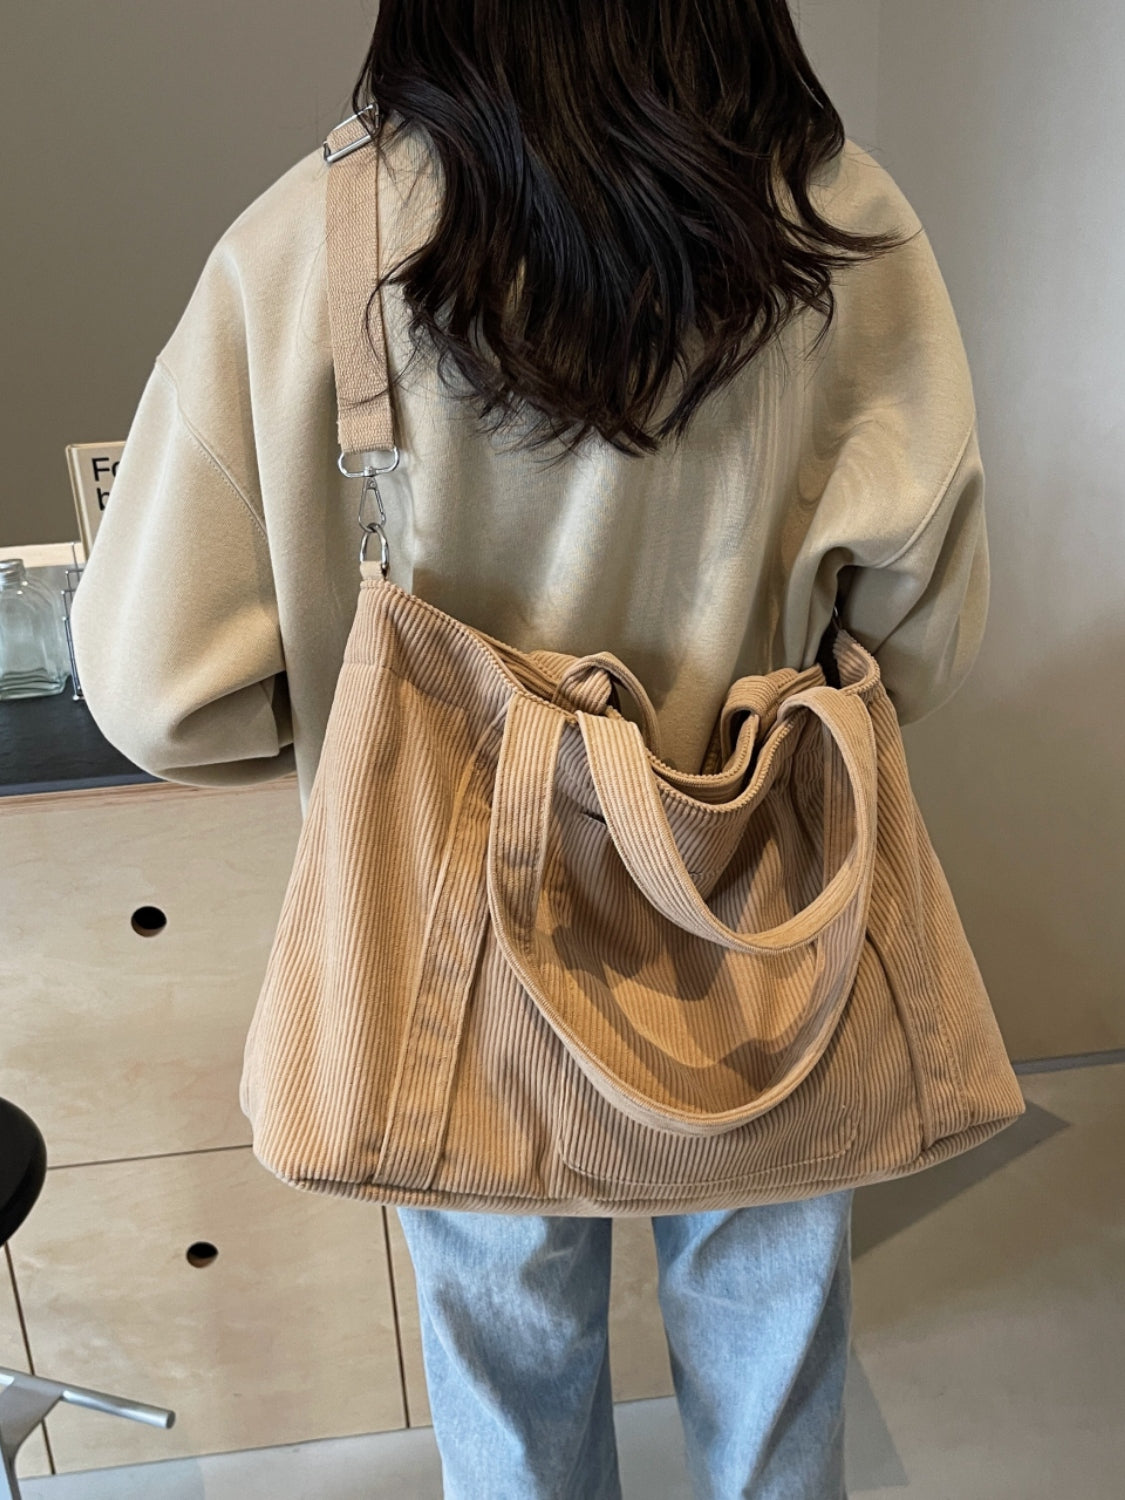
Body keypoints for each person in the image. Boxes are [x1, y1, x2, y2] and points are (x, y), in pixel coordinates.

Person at [69, 3, 989, 1496]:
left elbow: (157, 690)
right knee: (771, 1307)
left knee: (504, 1353)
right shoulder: (837, 224)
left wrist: (350, 717)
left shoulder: (310, 243)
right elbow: (924, 635)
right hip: (762, 920)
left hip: (455, 926)